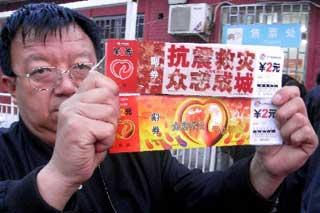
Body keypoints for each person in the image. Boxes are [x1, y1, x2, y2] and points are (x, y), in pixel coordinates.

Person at [0, 3, 317, 213]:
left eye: (82, 65)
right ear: (10, 85)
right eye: (41, 70)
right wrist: (59, 176)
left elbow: (196, 198)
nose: (68, 86)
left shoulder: (136, 142)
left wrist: (263, 171)